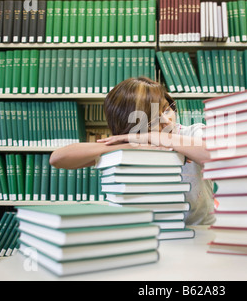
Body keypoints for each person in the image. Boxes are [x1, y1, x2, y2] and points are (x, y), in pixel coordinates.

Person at [49, 76, 215, 225]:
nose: (166, 121)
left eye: (166, 110)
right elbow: (58, 158)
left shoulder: (192, 133)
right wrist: (129, 143)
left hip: (200, 230)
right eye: (153, 118)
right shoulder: (129, 144)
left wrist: (161, 138)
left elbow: (216, 156)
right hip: (148, 231)